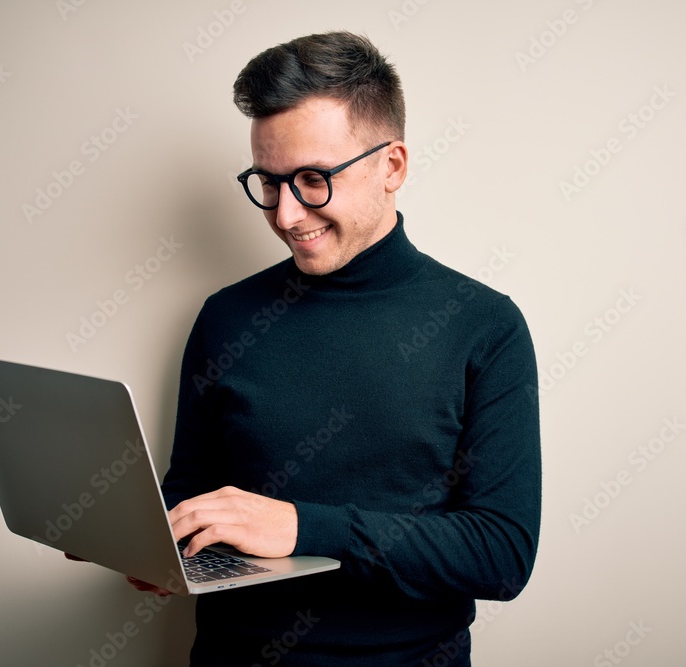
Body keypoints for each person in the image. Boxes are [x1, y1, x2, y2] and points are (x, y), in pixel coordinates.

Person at [137, 31, 541, 666]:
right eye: (267, 183)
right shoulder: (225, 316)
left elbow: (500, 553)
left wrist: (304, 527)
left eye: (312, 179)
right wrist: (146, 536)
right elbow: (191, 488)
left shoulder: (485, 327)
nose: (286, 214)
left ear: (393, 166)